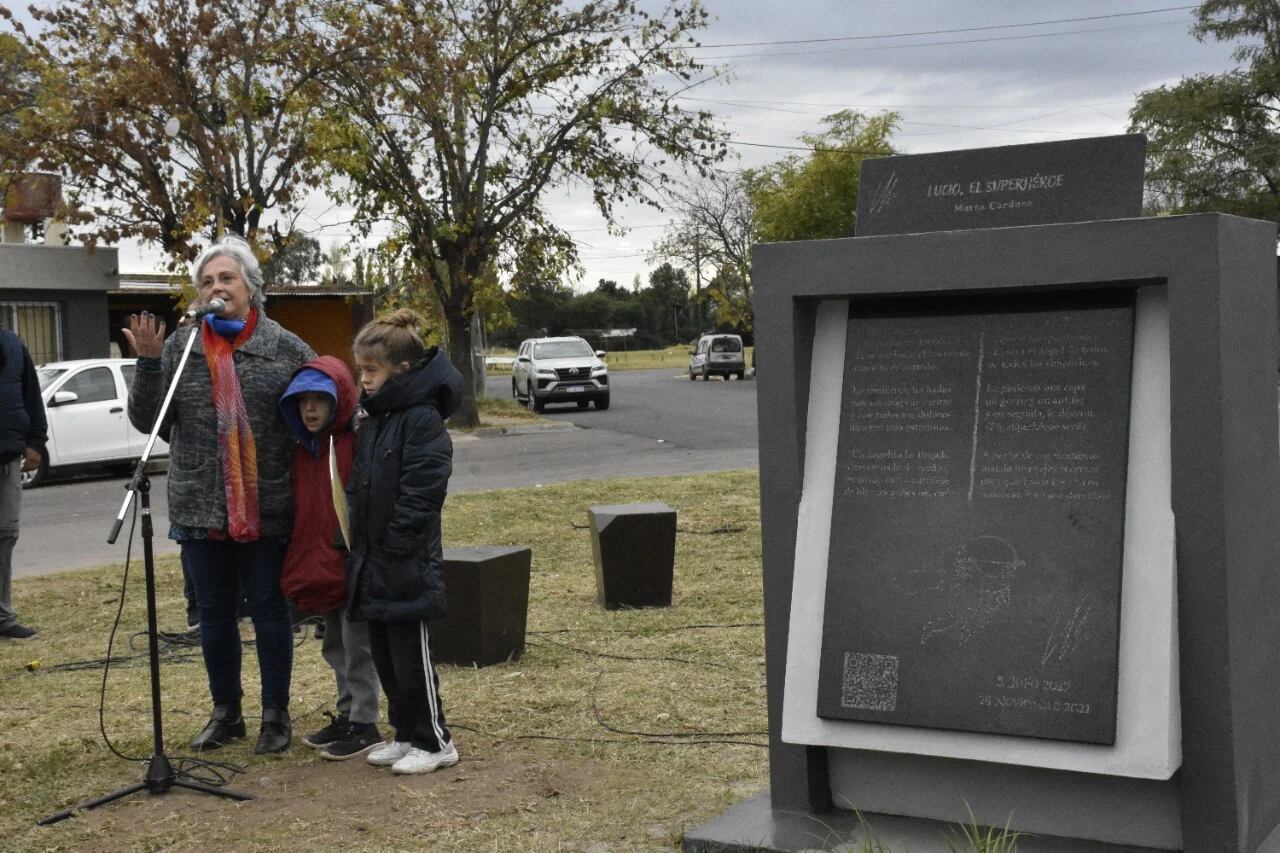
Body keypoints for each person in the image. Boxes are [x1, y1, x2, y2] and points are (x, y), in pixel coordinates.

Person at [125, 234, 315, 754]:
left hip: (267, 504)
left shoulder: (285, 348)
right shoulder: (181, 348)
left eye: (226, 278)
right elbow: (151, 423)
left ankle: (275, 716)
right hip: (199, 504)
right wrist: (145, 363)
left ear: (251, 288)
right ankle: (226, 711)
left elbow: (317, 414)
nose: (216, 287)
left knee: (271, 612)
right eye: (207, 281)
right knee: (214, 613)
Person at [346, 309, 463, 775]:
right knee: (387, 657)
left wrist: (396, 541)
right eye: (361, 370)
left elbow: (425, 488)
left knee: (411, 655)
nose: (364, 379)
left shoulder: (420, 418)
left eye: (371, 370)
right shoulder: (374, 419)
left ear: (402, 370)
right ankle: (406, 733)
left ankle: (436, 740)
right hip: (373, 558)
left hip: (406, 559)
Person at [278, 355, 383, 760]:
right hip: (323, 564)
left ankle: (364, 722)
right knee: (335, 645)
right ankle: (348, 714)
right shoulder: (306, 450)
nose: (309, 409)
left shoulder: (355, 442)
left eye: (318, 400)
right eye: (302, 400)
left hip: (353, 563)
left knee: (359, 646)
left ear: (337, 399)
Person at [0, 329, 47, 640]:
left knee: (5, 534)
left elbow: (32, 397)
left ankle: (2, 617)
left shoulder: (13, 345)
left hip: (7, 458)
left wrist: (35, 442)